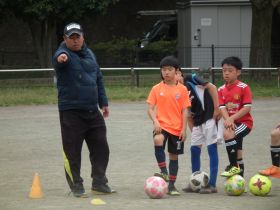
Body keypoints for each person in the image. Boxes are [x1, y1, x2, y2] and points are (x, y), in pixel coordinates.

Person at [52, 22, 115, 197]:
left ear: (82, 37)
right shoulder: (62, 54)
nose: (74, 40)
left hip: (92, 110)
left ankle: (99, 182)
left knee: (101, 147)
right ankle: (76, 186)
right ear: (64, 39)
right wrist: (61, 58)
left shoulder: (90, 54)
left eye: (77, 36)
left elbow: (98, 78)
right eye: (70, 37)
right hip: (71, 112)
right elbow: (58, 58)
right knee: (72, 151)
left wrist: (103, 102)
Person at [146, 55, 191, 196]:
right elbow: (150, 108)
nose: (166, 72)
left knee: (174, 156)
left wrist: (184, 129)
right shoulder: (156, 88)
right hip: (162, 126)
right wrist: (156, 121)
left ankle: (171, 185)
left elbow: (185, 110)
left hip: (177, 129)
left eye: (169, 69)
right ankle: (164, 172)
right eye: (163, 69)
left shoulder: (183, 89)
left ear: (176, 71)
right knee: (157, 139)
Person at [177, 70, 221, 194]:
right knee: (194, 149)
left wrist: (217, 108)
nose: (174, 77)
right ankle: (195, 182)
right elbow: (188, 114)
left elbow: (212, 87)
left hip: (209, 117)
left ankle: (212, 184)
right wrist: (194, 131)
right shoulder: (177, 92)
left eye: (176, 73)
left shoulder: (192, 78)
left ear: (180, 74)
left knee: (211, 148)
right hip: (197, 121)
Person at [218, 56, 253, 177]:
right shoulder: (221, 89)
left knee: (228, 134)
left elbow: (247, 107)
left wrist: (231, 118)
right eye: (224, 70)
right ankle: (240, 182)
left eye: (230, 70)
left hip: (244, 123)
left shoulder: (244, 87)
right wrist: (228, 119)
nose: (226, 73)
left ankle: (233, 166)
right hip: (231, 122)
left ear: (238, 72)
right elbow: (222, 107)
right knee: (238, 152)